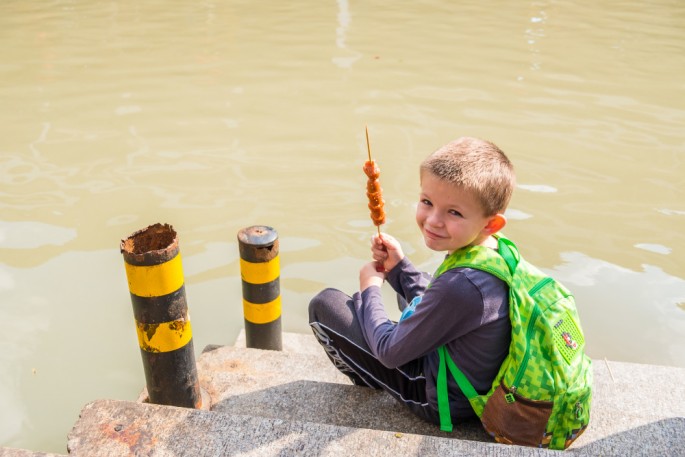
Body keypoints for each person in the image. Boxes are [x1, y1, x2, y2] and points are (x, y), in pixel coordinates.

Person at [308, 136, 516, 426]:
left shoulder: (462, 287)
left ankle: (368, 379)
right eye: (427, 202)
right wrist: (398, 269)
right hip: (475, 379)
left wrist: (370, 289)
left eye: (453, 212)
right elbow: (441, 298)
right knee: (416, 286)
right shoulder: (495, 250)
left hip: (445, 401)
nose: (433, 220)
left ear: (491, 223)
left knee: (326, 305)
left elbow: (390, 352)